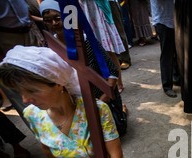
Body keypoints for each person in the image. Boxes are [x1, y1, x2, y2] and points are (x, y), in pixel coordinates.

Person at [0, 46, 136, 158]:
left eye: (31, 91)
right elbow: (46, 147)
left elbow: (116, 155)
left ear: (57, 83)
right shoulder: (33, 115)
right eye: (21, 93)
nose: (24, 100)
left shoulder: (96, 110)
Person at [40, 0, 128, 136]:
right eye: (48, 20)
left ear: (67, 17)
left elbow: (112, 72)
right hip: (72, 103)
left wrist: (101, 102)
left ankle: (120, 110)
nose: (54, 23)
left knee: (115, 131)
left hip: (98, 97)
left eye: (58, 18)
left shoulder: (85, 41)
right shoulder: (49, 46)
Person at [79, 0, 126, 93]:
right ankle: (102, 84)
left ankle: (118, 82)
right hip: (83, 10)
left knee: (109, 51)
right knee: (91, 52)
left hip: (98, 10)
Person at [150, 0, 180, 98]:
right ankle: (167, 86)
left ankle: (177, 78)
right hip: (162, 21)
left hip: (173, 19)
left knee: (177, 51)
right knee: (167, 55)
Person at [108, 0, 132, 70]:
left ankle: (125, 58)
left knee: (119, 30)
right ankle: (116, 58)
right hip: (96, 4)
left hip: (110, 2)